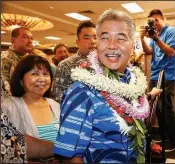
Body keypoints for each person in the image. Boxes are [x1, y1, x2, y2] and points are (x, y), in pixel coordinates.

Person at [53, 9, 161, 163]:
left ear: (133, 45)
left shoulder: (135, 84)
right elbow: (70, 158)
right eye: (105, 38)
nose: (112, 45)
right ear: (97, 44)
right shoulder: (81, 92)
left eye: (121, 38)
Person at [140, 9, 175, 152]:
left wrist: (156, 38)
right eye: (151, 21)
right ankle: (165, 137)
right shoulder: (153, 36)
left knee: (165, 108)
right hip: (154, 75)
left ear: (163, 19)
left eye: (156, 20)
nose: (154, 23)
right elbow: (149, 52)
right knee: (156, 109)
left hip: (167, 76)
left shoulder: (172, 32)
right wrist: (142, 38)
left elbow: (171, 52)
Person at [2, 55, 60, 142]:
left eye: (46, 74)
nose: (42, 79)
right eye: (35, 74)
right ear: (21, 80)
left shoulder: (55, 105)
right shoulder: (8, 107)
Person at [52, 20, 97, 103]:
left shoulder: (104, 62)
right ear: (77, 42)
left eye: (95, 37)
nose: (93, 41)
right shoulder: (65, 65)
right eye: (87, 38)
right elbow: (58, 98)